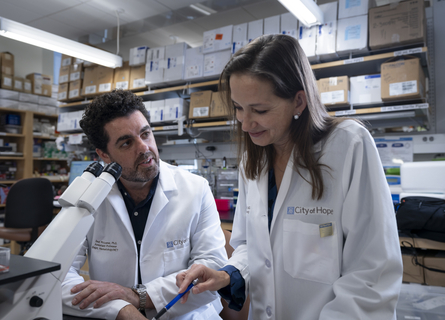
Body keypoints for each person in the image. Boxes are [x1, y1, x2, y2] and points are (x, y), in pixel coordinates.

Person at [177, 34, 403, 319]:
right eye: (238, 108)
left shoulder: (348, 145)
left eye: (259, 110)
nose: (245, 124)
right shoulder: (254, 159)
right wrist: (230, 274)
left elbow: (372, 274)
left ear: (298, 101)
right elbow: (250, 246)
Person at [61, 90, 228, 320]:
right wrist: (121, 309)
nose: (144, 148)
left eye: (145, 134)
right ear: (104, 155)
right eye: (127, 142)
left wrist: (137, 296)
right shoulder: (88, 198)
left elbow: (213, 271)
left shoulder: (195, 188)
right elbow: (56, 274)